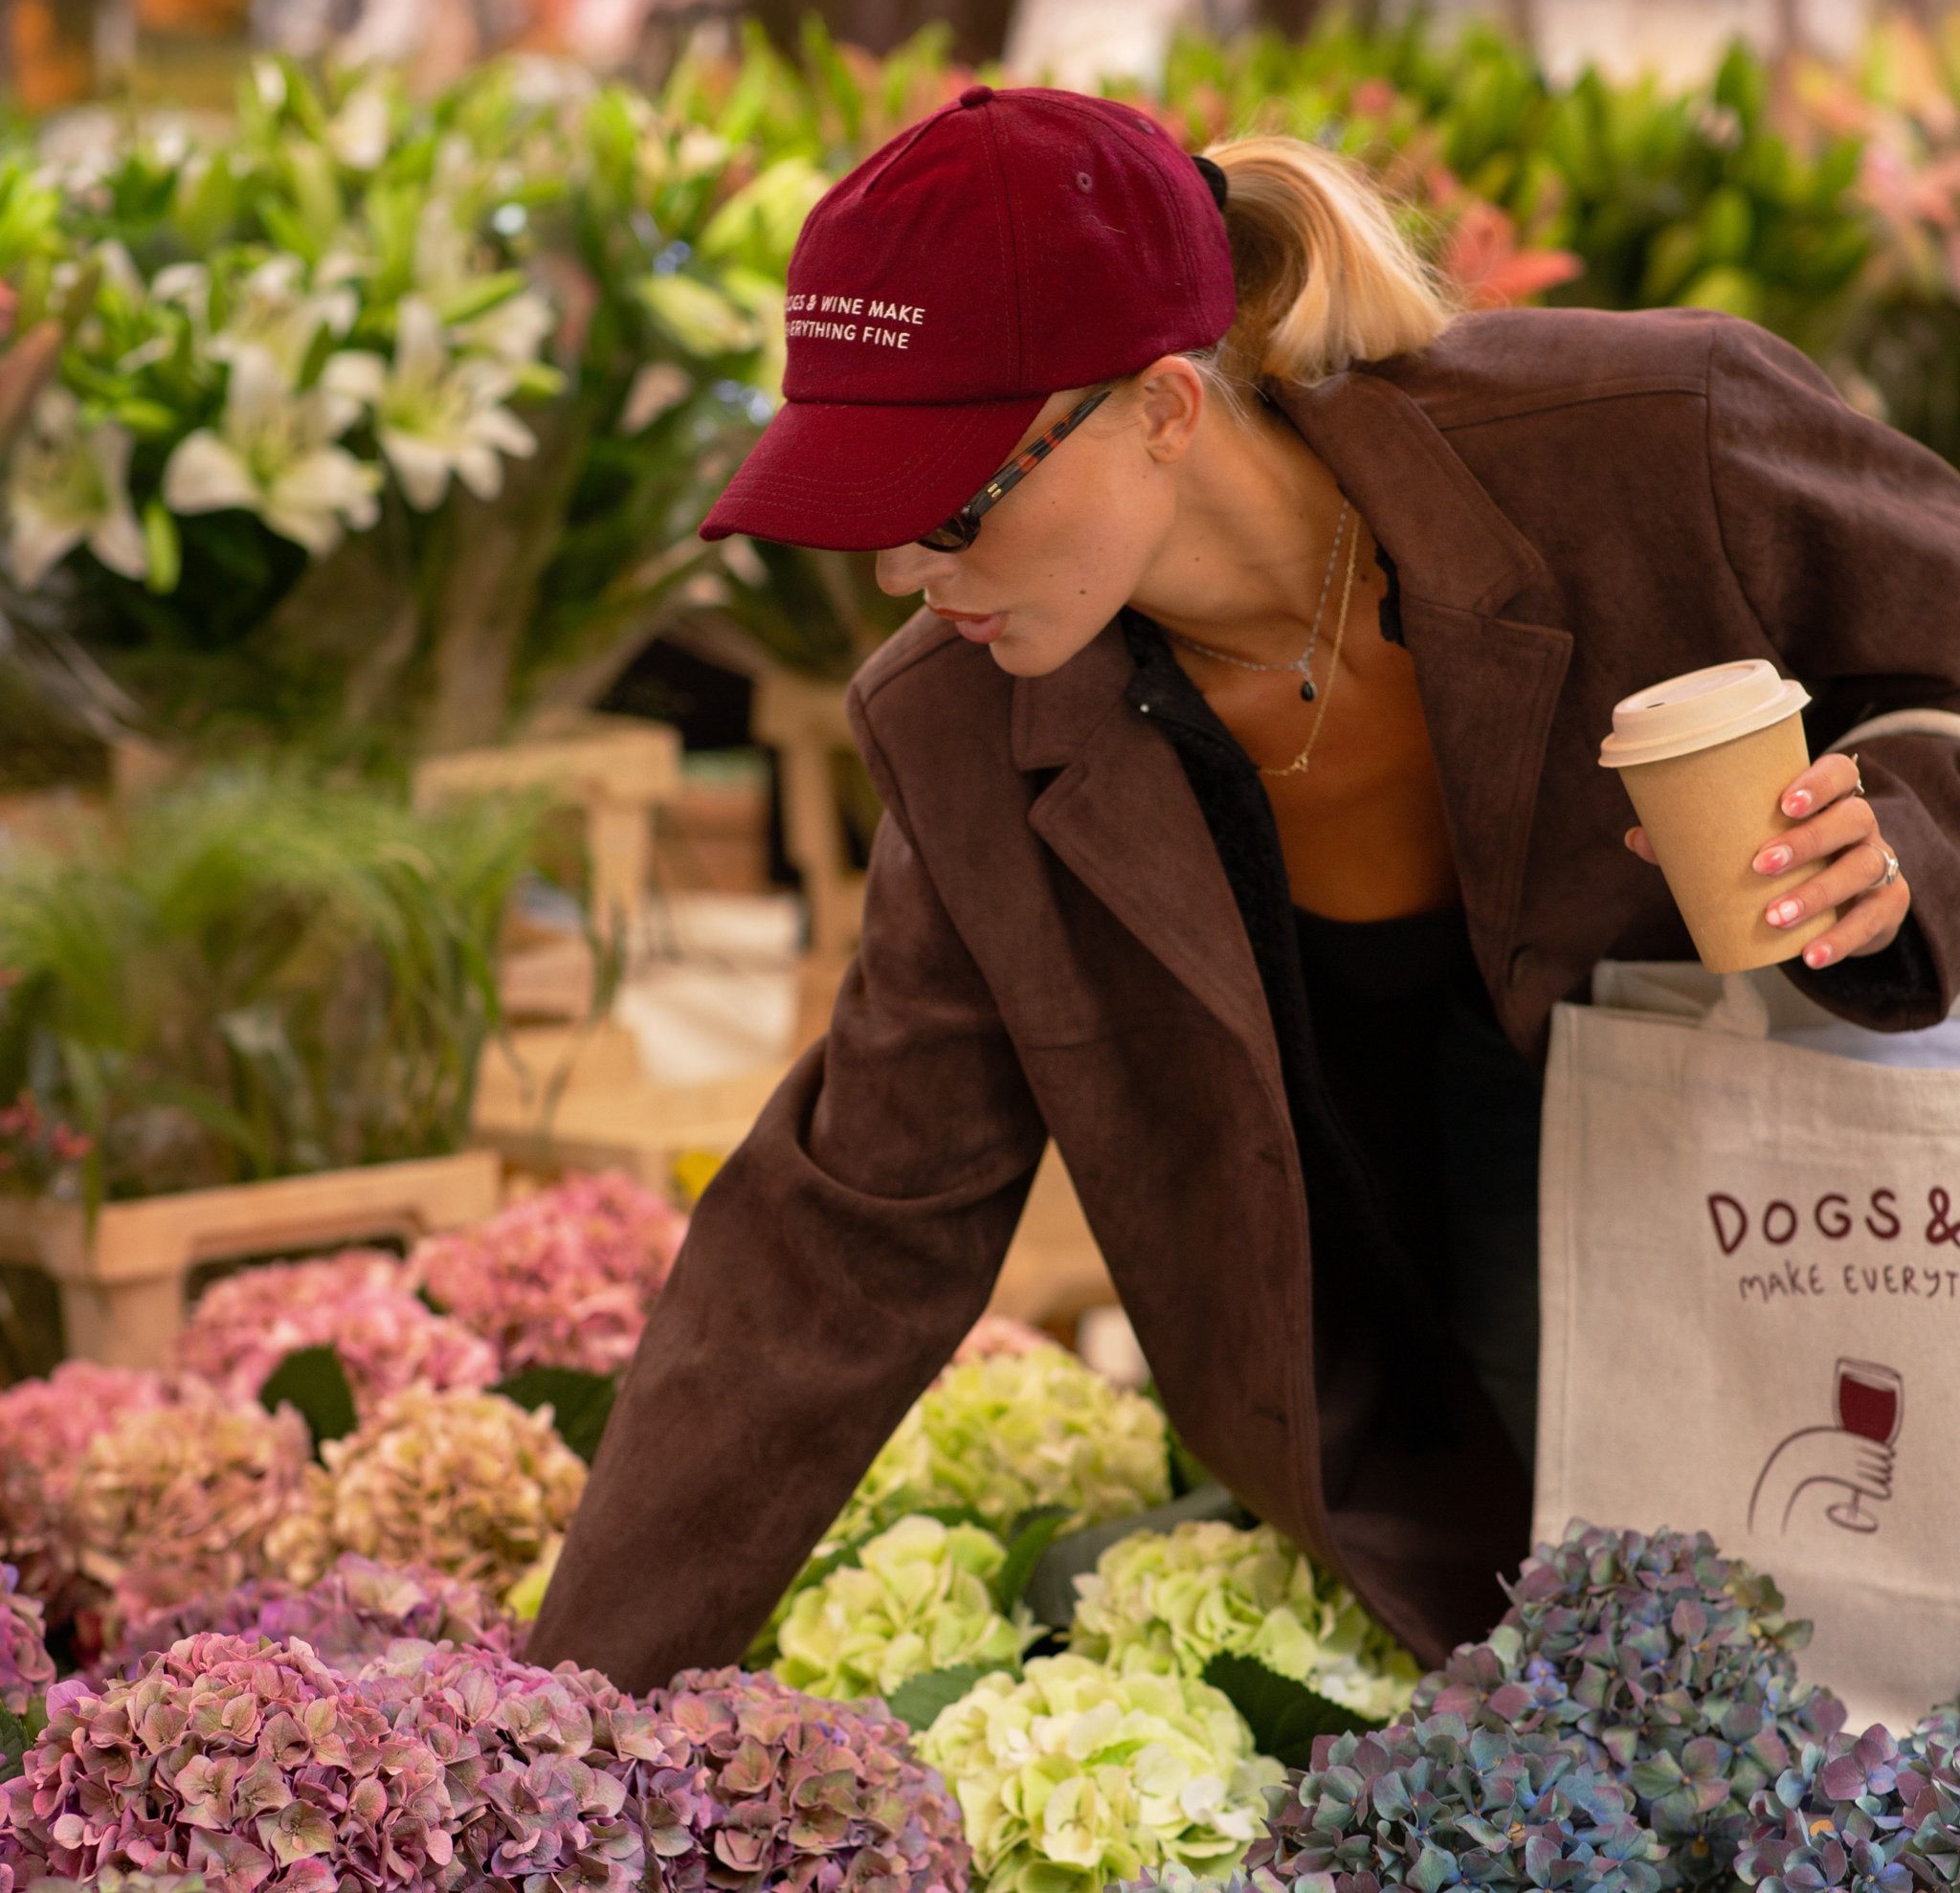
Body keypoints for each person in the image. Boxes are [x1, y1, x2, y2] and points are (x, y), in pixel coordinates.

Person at [525, 83, 1960, 1692]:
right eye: (862, 517)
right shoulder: (964, 723)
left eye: (946, 507)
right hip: (1415, 1413)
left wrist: (1908, 839)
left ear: (1161, 406)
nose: (903, 576)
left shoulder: (1646, 436)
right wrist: (560, 1714)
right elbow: (848, 1230)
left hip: (1835, 1263)